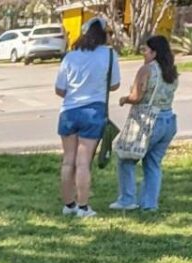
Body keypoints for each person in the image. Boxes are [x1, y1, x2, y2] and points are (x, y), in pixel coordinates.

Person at [54, 19, 119, 218]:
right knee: (83, 162)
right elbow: (114, 84)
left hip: (69, 111)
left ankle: (69, 204)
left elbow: (59, 89)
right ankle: (83, 207)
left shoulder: (70, 56)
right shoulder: (109, 55)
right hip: (94, 110)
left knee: (68, 160)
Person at [113, 35, 179, 213]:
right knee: (153, 163)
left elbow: (137, 96)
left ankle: (127, 199)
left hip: (148, 120)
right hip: (168, 119)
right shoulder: (171, 72)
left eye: (146, 50)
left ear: (154, 52)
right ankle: (149, 204)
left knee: (126, 159)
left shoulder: (147, 70)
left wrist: (125, 99)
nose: (144, 53)